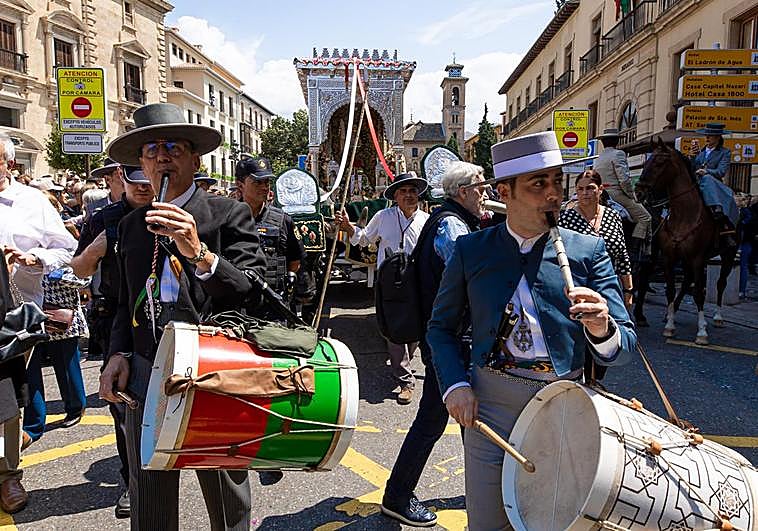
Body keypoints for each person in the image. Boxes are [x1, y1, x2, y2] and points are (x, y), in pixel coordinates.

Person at [428, 131, 637, 530]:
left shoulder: (587, 252)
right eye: (538, 184)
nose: (554, 193)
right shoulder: (473, 250)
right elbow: (440, 328)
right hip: (492, 402)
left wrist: (602, 326)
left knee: (556, 520)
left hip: (566, 404)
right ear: (505, 192)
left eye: (557, 181)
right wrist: (455, 386)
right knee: (488, 522)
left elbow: (624, 347)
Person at [98, 102, 266, 530]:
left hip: (213, 370)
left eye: (172, 147)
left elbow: (250, 292)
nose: (161, 156)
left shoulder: (229, 214)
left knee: (225, 489)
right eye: (150, 150)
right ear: (140, 164)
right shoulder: (134, 226)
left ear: (195, 159)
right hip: (144, 371)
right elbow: (124, 302)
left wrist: (199, 251)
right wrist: (116, 353)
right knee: (149, 494)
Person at [381, 161, 487, 527]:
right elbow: (476, 277)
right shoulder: (452, 225)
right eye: (480, 187)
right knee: (434, 419)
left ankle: (483, 487)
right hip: (450, 340)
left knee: (461, 416)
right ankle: (397, 495)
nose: (485, 192)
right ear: (462, 192)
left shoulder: (448, 220)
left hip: (449, 337)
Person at [0, 131, 78, 514]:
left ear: (8, 163)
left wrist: (36, 259)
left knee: (6, 402)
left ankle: (6, 473)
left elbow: (67, 248)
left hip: (13, 316)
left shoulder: (32, 202)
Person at [71, 166, 155, 519]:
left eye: (148, 183)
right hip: (117, 325)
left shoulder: (172, 210)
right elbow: (79, 268)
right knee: (124, 409)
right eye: (135, 182)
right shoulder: (105, 218)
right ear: (121, 177)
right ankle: (132, 482)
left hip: (160, 324)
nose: (143, 188)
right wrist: (96, 250)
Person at [335, 172, 430, 404]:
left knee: (416, 327)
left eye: (412, 191)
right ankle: (405, 380)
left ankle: (407, 362)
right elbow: (364, 240)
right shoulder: (383, 216)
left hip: (416, 281)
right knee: (393, 330)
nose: (409, 195)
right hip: (389, 282)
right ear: (395, 196)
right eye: (403, 191)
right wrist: (348, 228)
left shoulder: (427, 220)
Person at [560, 170, 633, 307]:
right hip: (579, 287)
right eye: (580, 189)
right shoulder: (566, 219)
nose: (584, 193)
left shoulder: (613, 216)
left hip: (610, 286)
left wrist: (628, 290)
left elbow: (623, 256)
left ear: (600, 190)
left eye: (590, 188)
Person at [235, 157, 304, 299]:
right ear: (240, 185)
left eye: (267, 182)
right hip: (236, 303)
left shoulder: (283, 220)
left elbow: (295, 260)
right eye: (257, 182)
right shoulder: (226, 218)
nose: (264, 187)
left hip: (273, 301)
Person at [593, 128, 651, 251]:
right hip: (616, 194)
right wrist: (631, 195)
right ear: (616, 141)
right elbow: (624, 180)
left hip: (603, 194)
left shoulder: (598, 158)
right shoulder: (618, 154)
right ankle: (636, 250)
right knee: (645, 218)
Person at [689, 123, 739, 244]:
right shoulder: (699, 152)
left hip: (714, 184)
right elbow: (691, 168)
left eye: (710, 135)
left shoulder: (725, 152)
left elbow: (721, 171)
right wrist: (691, 157)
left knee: (707, 178)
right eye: (706, 134)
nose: (707, 137)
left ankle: (721, 219)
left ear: (717, 137)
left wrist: (706, 171)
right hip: (696, 182)